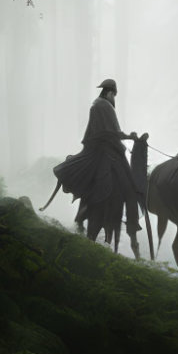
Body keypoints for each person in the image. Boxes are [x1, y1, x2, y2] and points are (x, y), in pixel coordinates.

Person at [41, 79, 146, 241]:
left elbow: (105, 132)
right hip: (107, 153)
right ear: (110, 93)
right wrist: (129, 137)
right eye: (114, 95)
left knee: (102, 186)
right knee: (130, 187)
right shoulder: (105, 106)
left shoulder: (96, 105)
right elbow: (113, 132)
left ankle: (85, 217)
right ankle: (132, 223)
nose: (114, 99)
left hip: (98, 151)